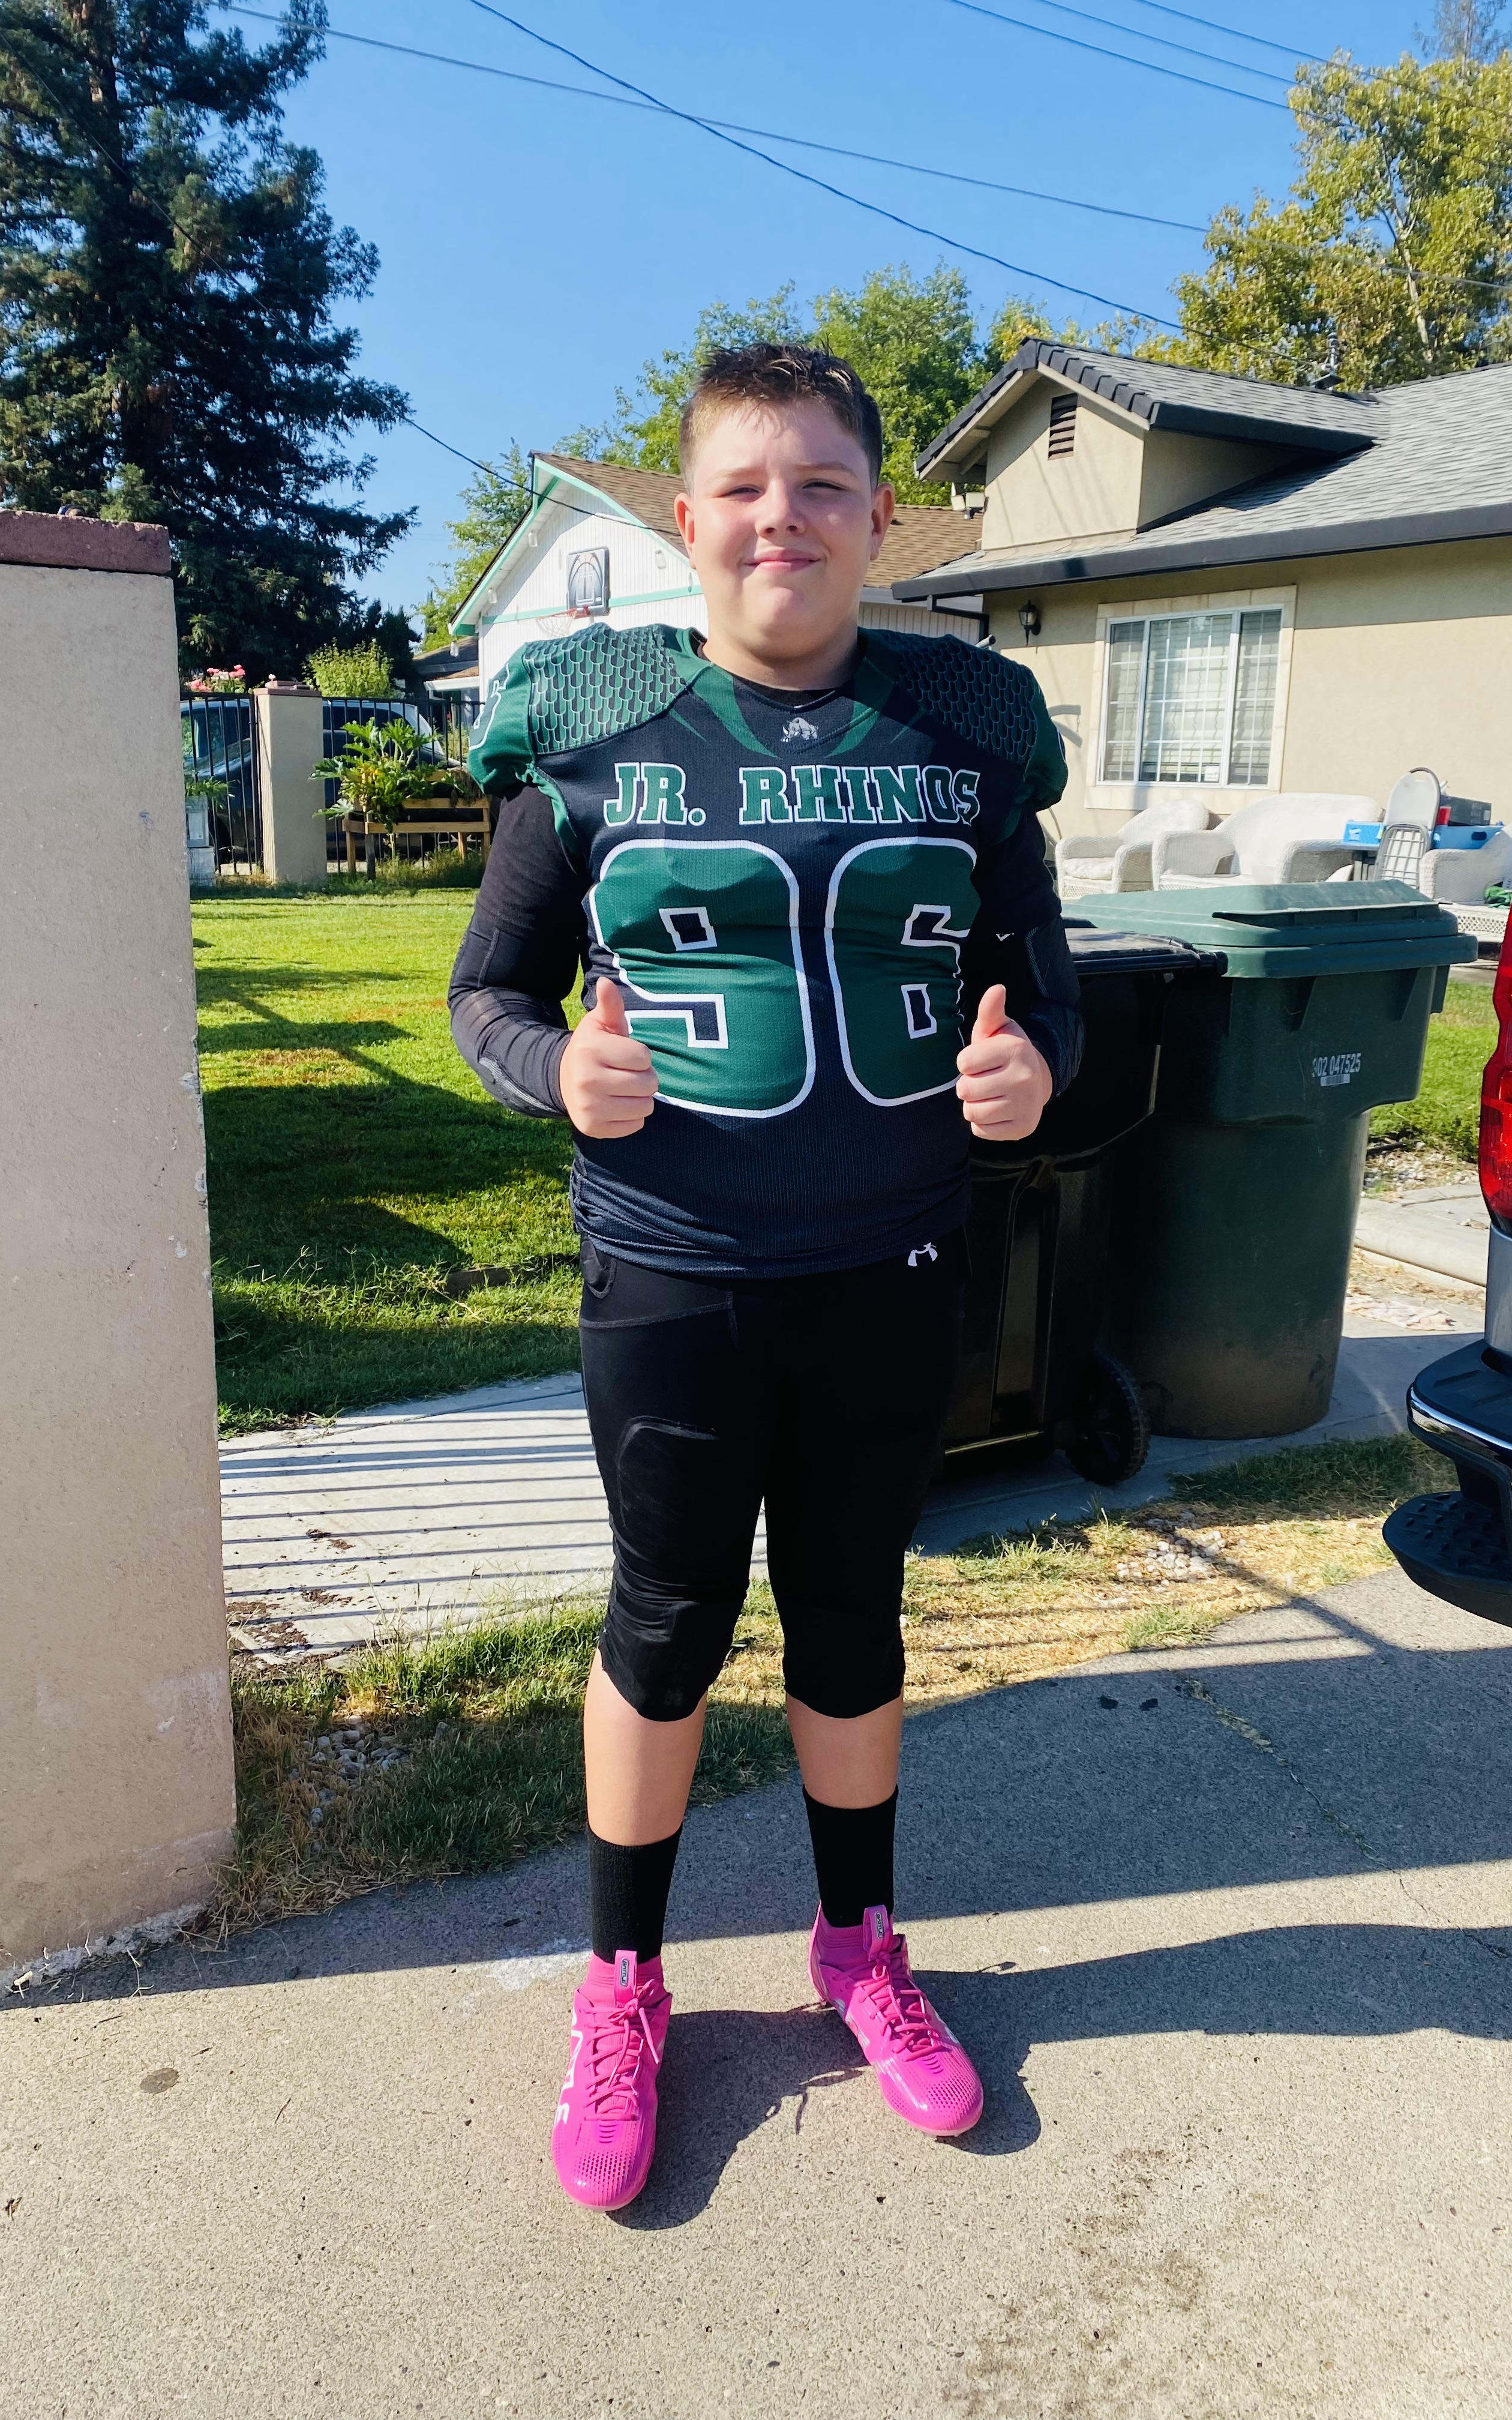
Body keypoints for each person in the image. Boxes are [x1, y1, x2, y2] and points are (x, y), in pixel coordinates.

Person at [449, 342, 1082, 2211]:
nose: (780, 518)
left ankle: (858, 1947)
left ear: (879, 516)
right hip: (675, 1272)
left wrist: (1034, 1074)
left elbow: (1046, 991)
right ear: (687, 518)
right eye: (743, 486)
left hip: (888, 1260)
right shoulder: (592, 728)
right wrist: (554, 1071)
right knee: (665, 1623)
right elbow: (485, 992)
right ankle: (622, 1983)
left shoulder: (966, 732)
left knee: (853, 1616)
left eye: (819, 485)